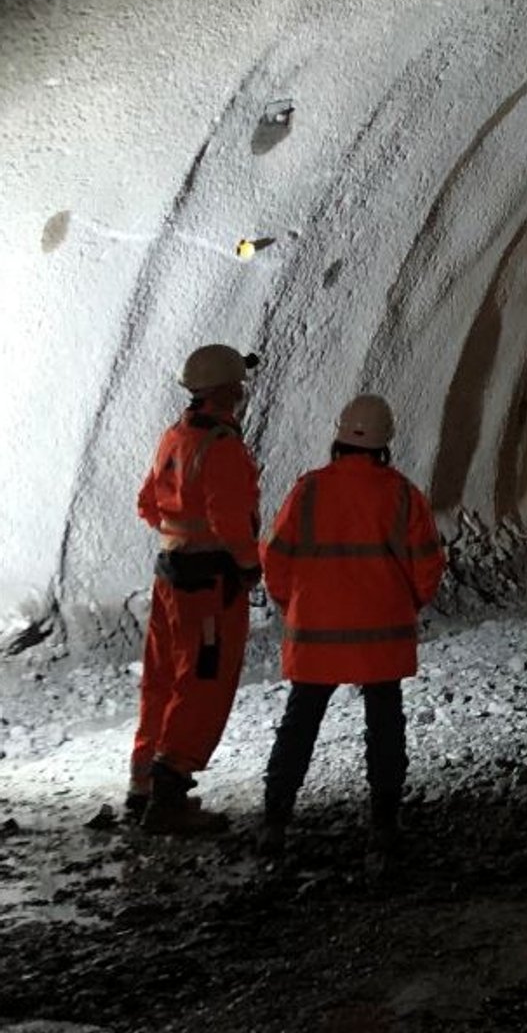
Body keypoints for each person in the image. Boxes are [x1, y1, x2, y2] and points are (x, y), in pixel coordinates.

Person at [258, 395, 446, 860]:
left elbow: (277, 560)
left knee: (299, 723)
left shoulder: (310, 490)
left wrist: (295, 608)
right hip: (381, 638)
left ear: (339, 437)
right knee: (385, 724)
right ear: (385, 445)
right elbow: (427, 567)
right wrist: (405, 606)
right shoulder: (403, 494)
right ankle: (383, 824)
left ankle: (275, 822)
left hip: (316, 636)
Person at [132, 344, 263, 835]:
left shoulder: (175, 437)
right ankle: (169, 794)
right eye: (238, 386)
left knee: (162, 676)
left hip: (170, 574)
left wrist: (179, 534)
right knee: (202, 680)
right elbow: (229, 518)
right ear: (227, 389)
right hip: (209, 583)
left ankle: (142, 784)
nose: (242, 393)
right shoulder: (222, 445)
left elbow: (148, 504)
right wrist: (249, 567)